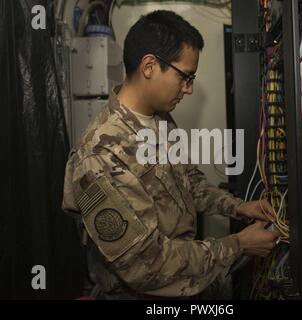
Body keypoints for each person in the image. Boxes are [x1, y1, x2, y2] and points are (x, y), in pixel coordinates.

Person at [62, 10, 280, 299]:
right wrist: (239, 244)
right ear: (150, 66)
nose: (188, 89)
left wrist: (239, 207)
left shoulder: (161, 119)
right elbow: (146, 264)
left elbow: (191, 185)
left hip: (188, 284)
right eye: (185, 77)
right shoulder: (99, 155)